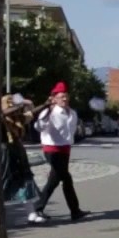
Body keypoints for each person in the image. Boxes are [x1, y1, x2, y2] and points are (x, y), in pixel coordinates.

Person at [32, 81, 86, 223]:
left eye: (66, 96)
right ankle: (38, 207)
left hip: (65, 149)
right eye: (61, 96)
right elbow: (38, 127)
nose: (65, 99)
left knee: (61, 180)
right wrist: (47, 111)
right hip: (52, 149)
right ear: (54, 98)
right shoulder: (49, 112)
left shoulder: (72, 113)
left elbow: (71, 131)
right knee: (60, 179)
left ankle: (74, 211)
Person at [0, 94, 41, 222]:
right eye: (11, 105)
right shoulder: (0, 118)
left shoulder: (19, 119)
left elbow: (31, 112)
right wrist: (20, 104)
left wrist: (45, 104)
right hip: (3, 153)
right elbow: (3, 113)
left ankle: (31, 213)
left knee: (25, 181)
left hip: (18, 152)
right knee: (3, 183)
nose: (15, 109)